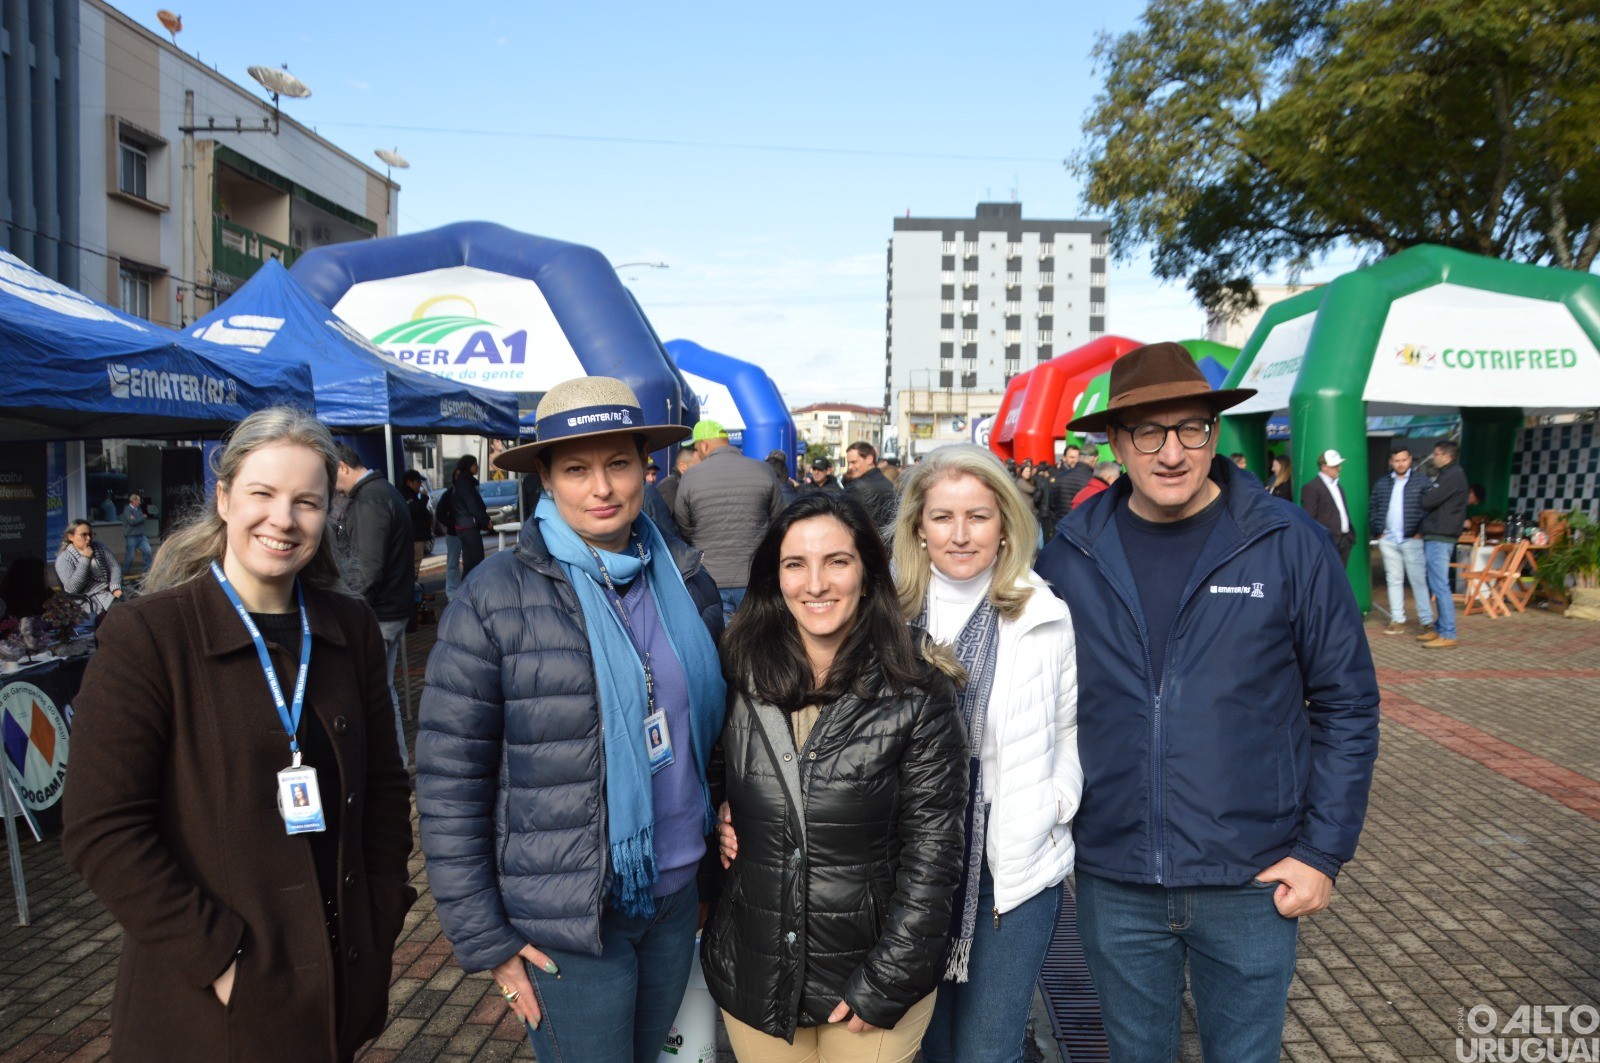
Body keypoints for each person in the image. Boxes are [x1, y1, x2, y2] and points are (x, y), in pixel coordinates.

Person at [1035, 343, 1379, 1063]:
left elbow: (1347, 703)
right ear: (1118, 442)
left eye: (1191, 427)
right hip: (1117, 875)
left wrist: (1321, 851)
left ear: (1214, 433)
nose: (1172, 452)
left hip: (1252, 875)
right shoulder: (1071, 555)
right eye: (1149, 432)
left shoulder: (1287, 543)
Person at [61, 407, 416, 1063]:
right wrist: (221, 959)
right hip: (208, 1014)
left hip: (336, 991)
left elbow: (388, 790)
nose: (283, 518)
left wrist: (383, 912)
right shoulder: (150, 636)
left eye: (306, 501)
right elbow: (100, 827)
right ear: (224, 498)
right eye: (263, 494)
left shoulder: (349, 628)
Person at [417, 376, 727, 1063]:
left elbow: (712, 731)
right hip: (567, 916)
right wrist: (484, 934)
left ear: (646, 467)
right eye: (577, 468)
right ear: (547, 480)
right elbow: (449, 777)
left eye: (618, 462)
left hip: (675, 897)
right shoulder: (494, 596)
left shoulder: (683, 575)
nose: (602, 487)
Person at [704, 492, 967, 1061]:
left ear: (869, 575)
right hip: (758, 972)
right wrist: (721, 819)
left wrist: (889, 978)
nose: (816, 584)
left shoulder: (917, 690)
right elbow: (705, 783)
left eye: (837, 562)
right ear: (775, 579)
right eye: (796, 564)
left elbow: (935, 851)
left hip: (869, 980)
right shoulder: (737, 672)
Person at [890, 446, 1082, 1063]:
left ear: (1005, 523)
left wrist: (1055, 802)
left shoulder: (1043, 612)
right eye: (943, 517)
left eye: (978, 515)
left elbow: (1069, 728)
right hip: (907, 870)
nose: (961, 533)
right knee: (928, 1045)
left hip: (1011, 869)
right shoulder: (886, 616)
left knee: (987, 1049)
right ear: (919, 526)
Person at [335, 447, 417, 768]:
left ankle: (387, 765)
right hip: (389, 611)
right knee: (383, 692)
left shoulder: (369, 499)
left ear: (342, 467)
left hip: (378, 614)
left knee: (373, 696)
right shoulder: (381, 493)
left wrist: (350, 614)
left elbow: (367, 570)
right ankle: (394, 762)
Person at [673, 419, 785, 621]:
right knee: (757, 639)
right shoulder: (763, 470)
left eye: (696, 448)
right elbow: (779, 521)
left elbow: (683, 525)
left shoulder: (690, 476)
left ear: (705, 445)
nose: (696, 454)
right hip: (754, 576)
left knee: (720, 644)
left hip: (711, 577)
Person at [1369, 443, 1434, 636]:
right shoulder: (1382, 483)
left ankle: (1426, 621)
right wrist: (1378, 530)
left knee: (1418, 580)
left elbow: (1429, 509)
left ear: (1410, 459)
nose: (1400, 464)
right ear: (1391, 461)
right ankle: (1397, 619)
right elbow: (1373, 506)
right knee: (1393, 579)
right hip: (1388, 538)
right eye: (1396, 460)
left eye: (1404, 460)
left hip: (1412, 538)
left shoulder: (1422, 481)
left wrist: (1420, 531)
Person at [1418, 439, 1469, 649]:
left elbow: (1428, 501)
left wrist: (1427, 492)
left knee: (1440, 585)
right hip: (1437, 535)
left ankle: (1448, 633)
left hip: (1441, 536)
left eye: (1436, 454)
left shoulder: (1452, 475)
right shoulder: (1449, 474)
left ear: (1446, 456)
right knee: (1436, 584)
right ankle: (1440, 628)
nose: (1434, 457)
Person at [1300, 449, 1355, 566]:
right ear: (1324, 467)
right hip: (1327, 542)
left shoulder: (1337, 486)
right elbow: (1309, 518)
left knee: (1340, 578)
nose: (1339, 468)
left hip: (1343, 540)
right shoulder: (1312, 488)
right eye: (1335, 466)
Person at [55, 519, 122, 615]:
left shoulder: (99, 547)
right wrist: (85, 559)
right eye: (84, 535)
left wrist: (116, 587)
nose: (88, 538)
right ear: (71, 537)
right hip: (90, 600)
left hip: (111, 592)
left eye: (90, 534)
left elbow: (114, 567)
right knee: (124, 611)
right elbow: (72, 589)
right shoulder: (64, 559)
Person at [843, 440, 898, 533]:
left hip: (867, 544)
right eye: (849, 463)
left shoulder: (857, 487)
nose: (850, 467)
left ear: (869, 459)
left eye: (854, 462)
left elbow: (846, 524)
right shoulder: (889, 484)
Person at [450, 455, 491, 581]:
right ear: (468, 466)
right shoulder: (464, 483)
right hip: (468, 527)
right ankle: (470, 593)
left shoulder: (464, 482)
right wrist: (485, 521)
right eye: (475, 464)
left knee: (472, 563)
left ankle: (468, 592)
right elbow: (473, 505)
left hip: (466, 526)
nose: (477, 467)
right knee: (475, 563)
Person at [401, 470, 434, 581]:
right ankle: (412, 591)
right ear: (409, 482)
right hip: (414, 536)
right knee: (413, 565)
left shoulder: (411, 495)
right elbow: (415, 510)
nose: (420, 484)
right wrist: (424, 498)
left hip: (417, 535)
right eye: (417, 482)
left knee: (414, 565)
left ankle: (413, 589)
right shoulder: (406, 496)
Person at [121, 492, 154, 575]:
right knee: (130, 555)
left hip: (141, 535)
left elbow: (138, 520)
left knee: (148, 550)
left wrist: (138, 518)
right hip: (131, 536)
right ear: (133, 501)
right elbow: (132, 522)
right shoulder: (127, 509)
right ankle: (126, 571)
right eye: (138, 500)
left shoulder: (138, 509)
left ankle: (147, 569)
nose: (140, 502)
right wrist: (142, 517)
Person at [659, 444, 697, 513]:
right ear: (682, 466)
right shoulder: (670, 486)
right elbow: (667, 521)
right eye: (697, 465)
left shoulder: (683, 485)